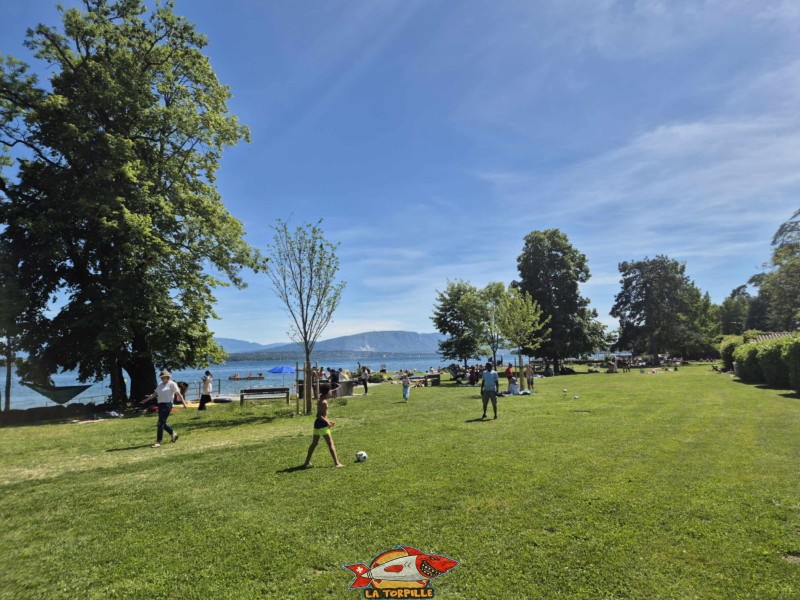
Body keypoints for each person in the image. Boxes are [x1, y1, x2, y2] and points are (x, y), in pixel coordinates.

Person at [303, 383, 343, 468]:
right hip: (322, 425)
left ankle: (306, 462)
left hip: (317, 424)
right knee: (330, 444)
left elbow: (322, 415)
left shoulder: (322, 400)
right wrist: (327, 422)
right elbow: (318, 415)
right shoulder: (324, 402)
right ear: (327, 392)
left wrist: (328, 421)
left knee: (314, 443)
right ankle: (337, 463)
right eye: (330, 390)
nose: (331, 392)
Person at [141, 370, 184, 447]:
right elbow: (154, 394)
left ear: (168, 377)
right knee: (162, 423)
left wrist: (184, 403)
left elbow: (178, 394)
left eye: (163, 377)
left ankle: (158, 442)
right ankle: (173, 434)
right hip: (160, 405)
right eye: (161, 377)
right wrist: (146, 400)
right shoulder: (160, 385)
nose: (162, 378)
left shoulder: (172, 384)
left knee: (160, 423)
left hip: (167, 404)